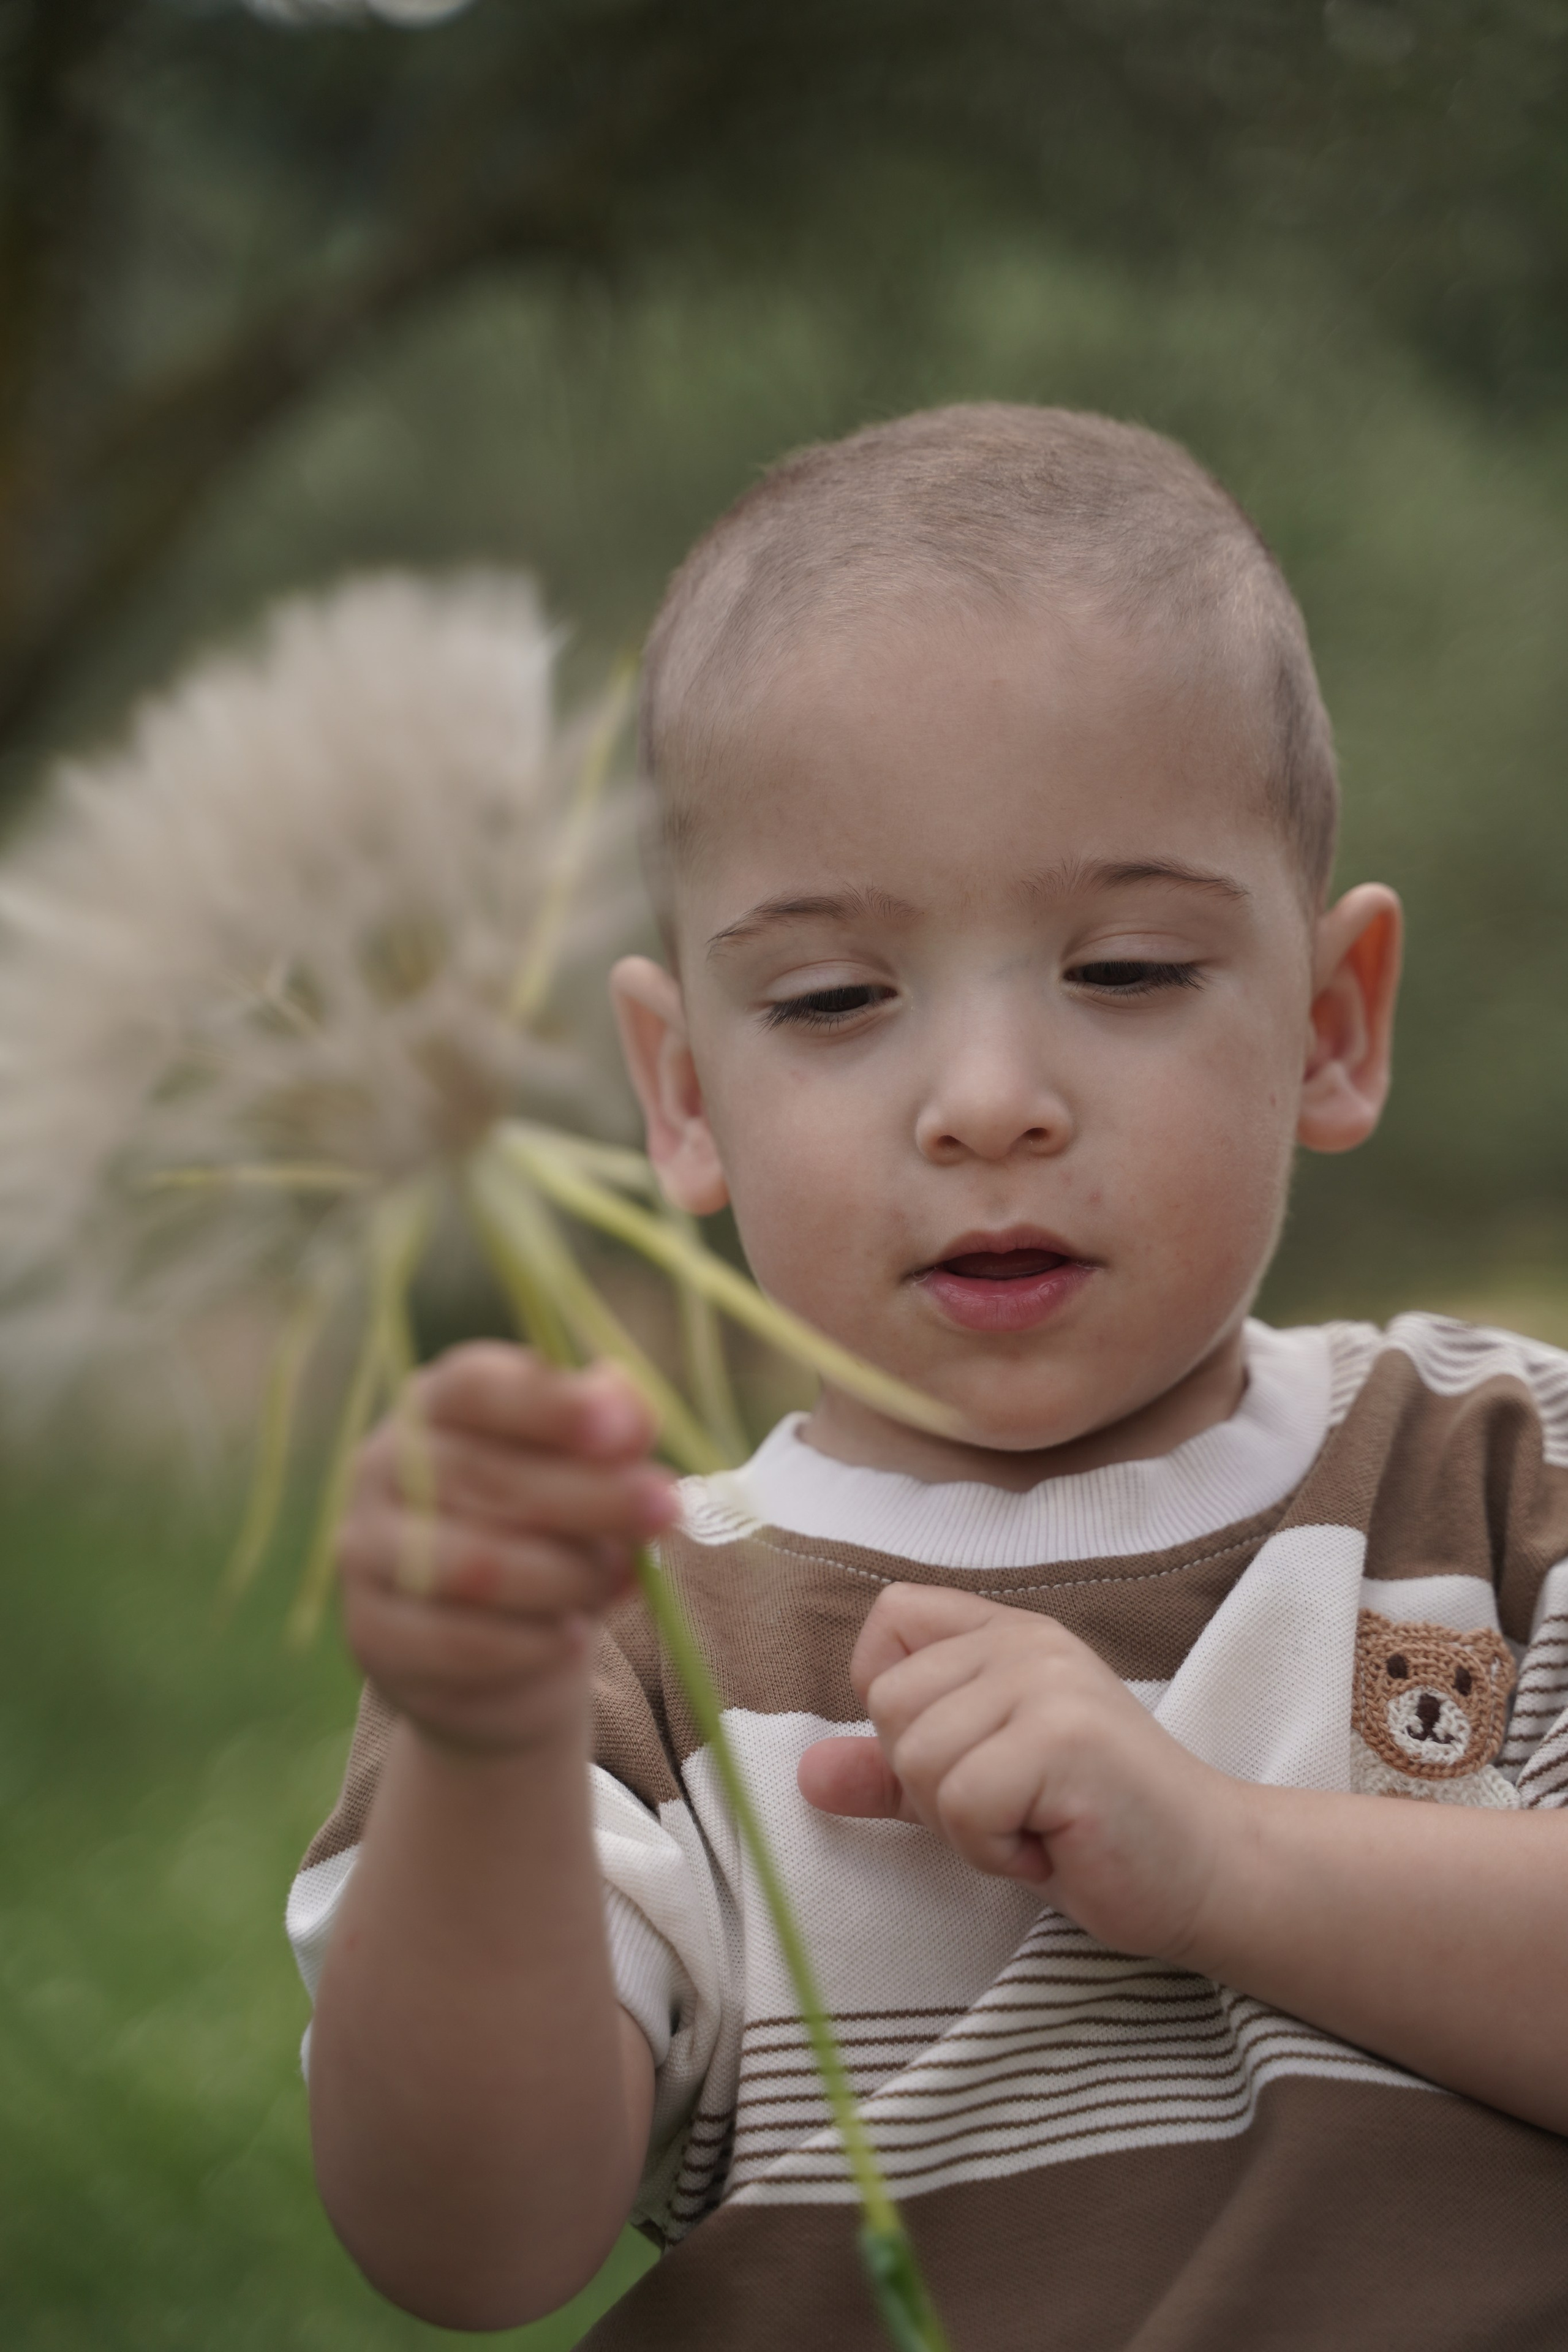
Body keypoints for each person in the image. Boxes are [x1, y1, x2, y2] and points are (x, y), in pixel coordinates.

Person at [286, 405, 1568, 2349]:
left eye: (1127, 970)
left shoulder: (1498, 1470)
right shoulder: (631, 1632)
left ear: (1330, 1024)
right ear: (683, 1095)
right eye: (832, 999)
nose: (986, 1105)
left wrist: (1223, 1857)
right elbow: (465, 2248)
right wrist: (475, 1744)